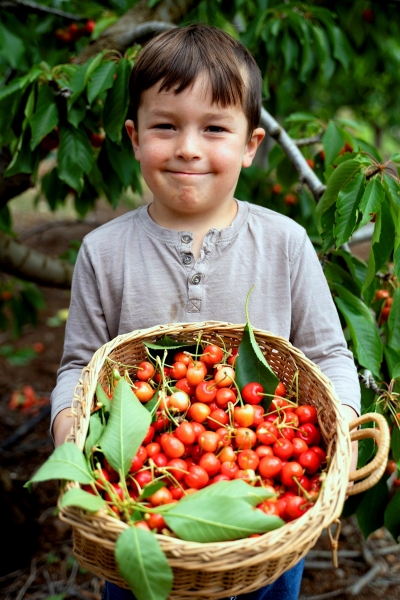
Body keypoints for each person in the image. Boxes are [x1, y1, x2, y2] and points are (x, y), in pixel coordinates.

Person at [51, 23, 360, 600]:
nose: (188, 147)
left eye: (214, 128)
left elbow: (328, 355)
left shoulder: (286, 243)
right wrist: (70, 431)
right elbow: (79, 367)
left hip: (266, 532)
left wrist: (340, 421)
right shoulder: (104, 251)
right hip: (143, 525)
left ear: (251, 145)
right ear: (134, 138)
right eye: (165, 126)